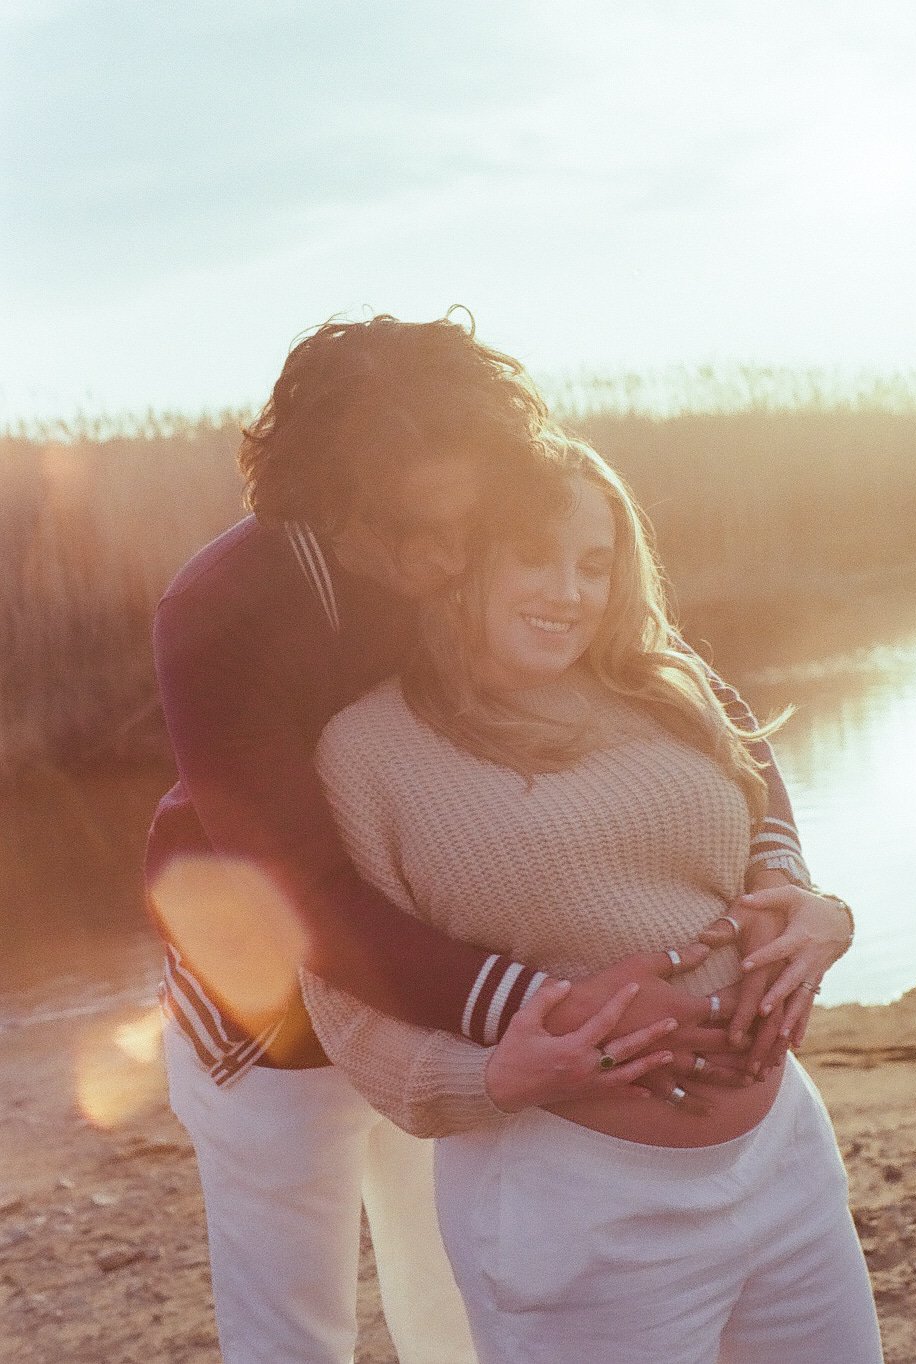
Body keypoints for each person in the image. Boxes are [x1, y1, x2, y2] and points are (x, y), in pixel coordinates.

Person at [148, 312, 825, 1363]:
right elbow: (304, 892)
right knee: (292, 1334)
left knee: (458, 1317)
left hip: (460, 997)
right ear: (319, 507)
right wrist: (549, 1009)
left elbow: (682, 686)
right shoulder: (219, 610)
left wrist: (781, 869)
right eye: (397, 530)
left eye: (454, 522)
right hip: (276, 1015)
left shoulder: (495, 529)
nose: (433, 559)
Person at [300, 431, 882, 1363]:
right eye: (534, 557)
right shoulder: (369, 751)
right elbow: (343, 988)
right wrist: (489, 1078)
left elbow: (758, 819)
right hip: (574, 1208)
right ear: (458, 562)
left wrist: (815, 908)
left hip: (783, 1162)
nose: (568, 593)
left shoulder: (667, 685)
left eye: (595, 565)